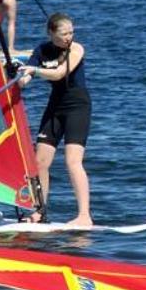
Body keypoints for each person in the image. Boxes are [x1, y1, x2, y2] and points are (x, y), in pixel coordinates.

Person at [19, 12, 93, 226]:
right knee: (39, 162)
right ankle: (38, 212)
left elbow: (60, 73)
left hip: (78, 106)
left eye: (71, 32)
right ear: (51, 33)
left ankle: (84, 216)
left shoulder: (76, 49)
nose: (69, 37)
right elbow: (26, 77)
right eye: (64, 34)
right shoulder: (42, 50)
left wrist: (34, 69)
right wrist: (20, 76)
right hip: (55, 106)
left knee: (72, 161)